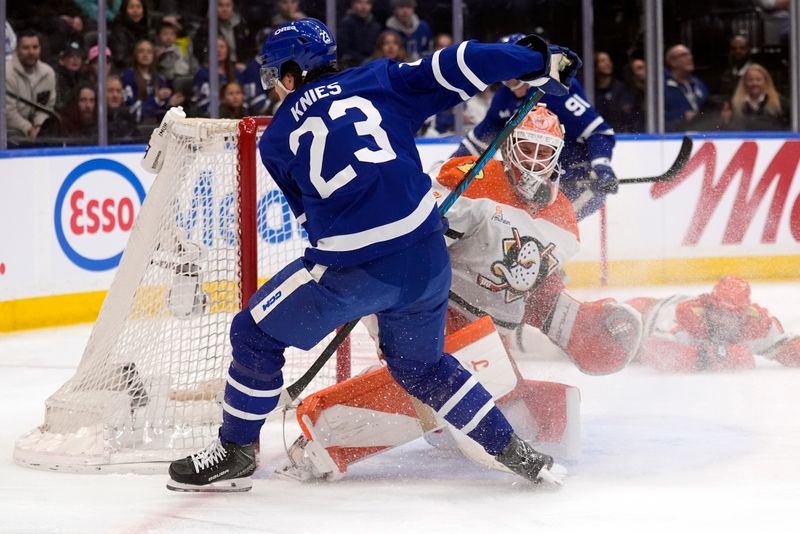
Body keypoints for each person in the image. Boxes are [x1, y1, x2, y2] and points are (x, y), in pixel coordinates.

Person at [166, 17, 581, 492]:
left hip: (353, 271)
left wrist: (352, 290)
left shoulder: (277, 137)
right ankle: (514, 451)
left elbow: (315, 224)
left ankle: (236, 450)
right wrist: (536, 59)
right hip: (426, 258)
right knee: (423, 368)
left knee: (255, 333)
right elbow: (463, 61)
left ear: (289, 73)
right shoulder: (380, 79)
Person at [276, 107, 642, 480]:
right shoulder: (471, 176)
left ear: (557, 155)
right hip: (427, 304)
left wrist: (575, 324)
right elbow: (418, 234)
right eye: (527, 147)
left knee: (512, 407)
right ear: (509, 144)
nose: (533, 160)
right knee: (450, 379)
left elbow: (533, 288)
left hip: (484, 329)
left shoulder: (563, 219)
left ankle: (419, 405)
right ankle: (324, 435)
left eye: (544, 152)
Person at [454, 34, 617, 221]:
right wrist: (450, 168)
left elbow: (598, 132)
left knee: (546, 232)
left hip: (576, 178)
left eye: (514, 62)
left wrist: (602, 167)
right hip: (534, 181)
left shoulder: (555, 89)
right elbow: (478, 142)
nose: (508, 71)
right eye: (503, 63)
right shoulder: (503, 98)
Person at [627, 277, 800, 372]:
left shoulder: (756, 326)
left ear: (744, 313)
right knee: (619, 351)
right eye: (720, 312)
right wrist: (712, 357)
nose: (725, 320)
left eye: (733, 315)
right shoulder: (683, 318)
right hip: (640, 313)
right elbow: (653, 351)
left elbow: (788, 348)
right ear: (709, 305)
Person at [5, 30, 57, 145]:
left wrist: (39, 125)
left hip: (37, 130)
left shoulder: (48, 73)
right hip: (10, 131)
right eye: (26, 48)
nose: (31, 52)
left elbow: (47, 107)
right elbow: (7, 112)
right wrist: (28, 128)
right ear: (17, 49)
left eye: (35, 47)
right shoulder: (6, 72)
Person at [122, 38, 183, 123]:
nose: (145, 54)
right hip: (138, 125)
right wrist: (157, 99)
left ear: (153, 56)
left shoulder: (160, 78)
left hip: (159, 125)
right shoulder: (128, 77)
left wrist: (171, 102)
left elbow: (164, 108)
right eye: (141, 51)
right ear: (135, 55)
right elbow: (132, 110)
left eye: (149, 52)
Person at [721, 63, 789, 131]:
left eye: (758, 80)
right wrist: (726, 121)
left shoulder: (780, 103)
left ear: (766, 82)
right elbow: (727, 132)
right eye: (750, 80)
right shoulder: (734, 105)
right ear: (744, 83)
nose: (754, 83)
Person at [191, 35, 242, 116]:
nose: (218, 50)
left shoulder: (236, 72)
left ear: (227, 50)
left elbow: (244, 96)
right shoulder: (203, 73)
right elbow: (202, 101)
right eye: (215, 47)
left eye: (222, 47)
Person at [664, 44, 709, 132]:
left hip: (701, 134)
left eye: (689, 54)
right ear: (672, 62)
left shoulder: (699, 84)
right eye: (683, 55)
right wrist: (682, 118)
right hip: (674, 138)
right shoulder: (662, 87)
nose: (690, 58)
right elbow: (657, 117)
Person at [594, 51, 634, 132]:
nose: (607, 63)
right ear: (595, 66)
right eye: (602, 61)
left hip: (618, 132)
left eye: (608, 60)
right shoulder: (590, 89)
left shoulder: (621, 88)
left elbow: (626, 115)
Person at [337, 0, 383, 68]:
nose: (363, 7)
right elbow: (343, 49)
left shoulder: (376, 26)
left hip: (372, 64)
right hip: (351, 65)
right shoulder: (346, 23)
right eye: (359, 2)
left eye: (368, 3)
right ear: (352, 4)